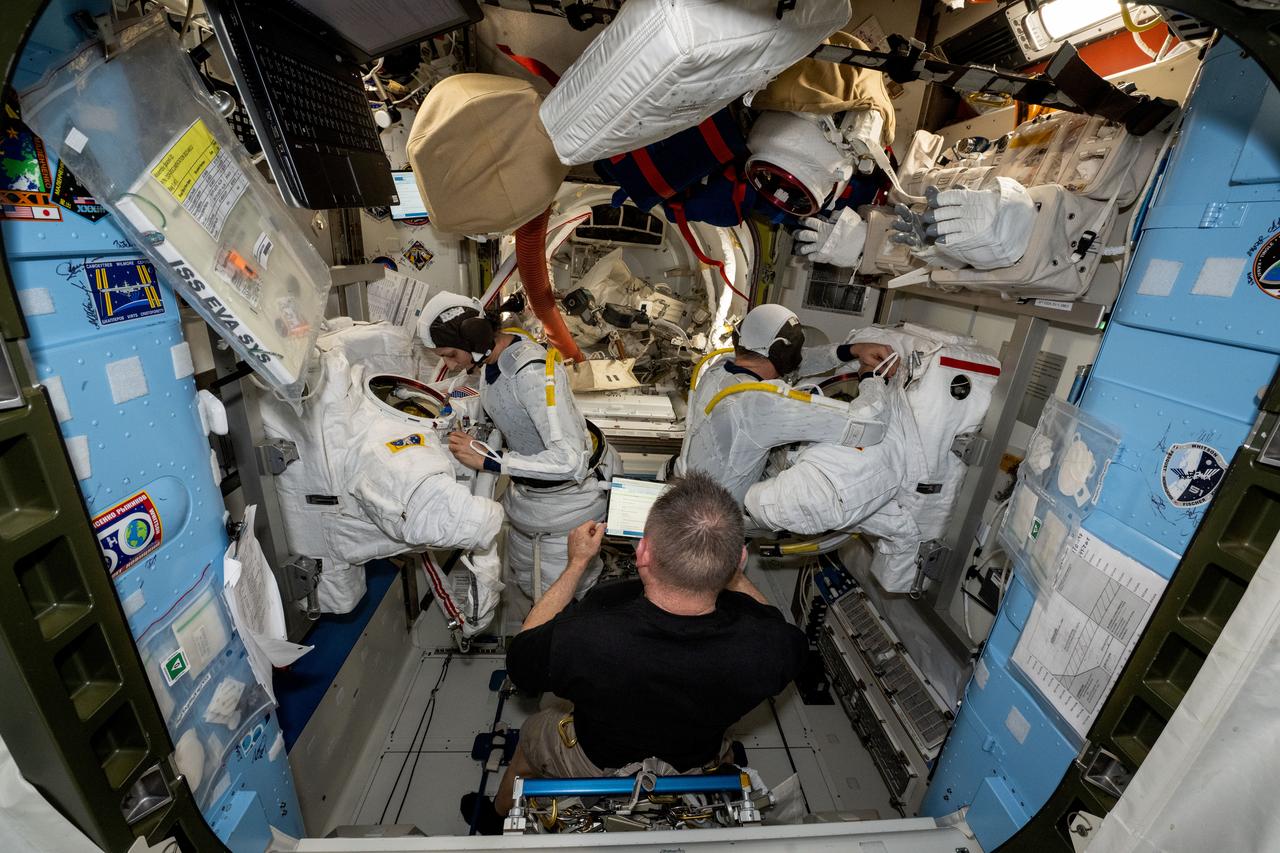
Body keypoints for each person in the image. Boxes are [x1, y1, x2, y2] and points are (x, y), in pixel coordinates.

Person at [460, 472, 807, 833]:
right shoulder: (771, 647)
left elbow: (522, 661)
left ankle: (496, 815)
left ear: (642, 552)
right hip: (691, 761)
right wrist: (728, 570)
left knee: (534, 733)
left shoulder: (587, 635)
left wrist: (577, 564)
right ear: (740, 558)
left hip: (595, 761)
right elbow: (773, 621)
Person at [418, 292, 617, 600]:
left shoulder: (533, 373)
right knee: (529, 582)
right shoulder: (494, 363)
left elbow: (570, 462)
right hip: (531, 500)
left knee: (559, 600)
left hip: (566, 501)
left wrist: (491, 461)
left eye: (451, 355)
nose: (450, 364)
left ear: (477, 339)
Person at [675, 302, 898, 504]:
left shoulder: (719, 368)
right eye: (796, 348)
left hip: (686, 491)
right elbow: (868, 424)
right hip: (718, 517)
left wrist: (852, 351)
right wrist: (872, 378)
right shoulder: (761, 404)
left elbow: (791, 363)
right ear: (783, 352)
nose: (799, 353)